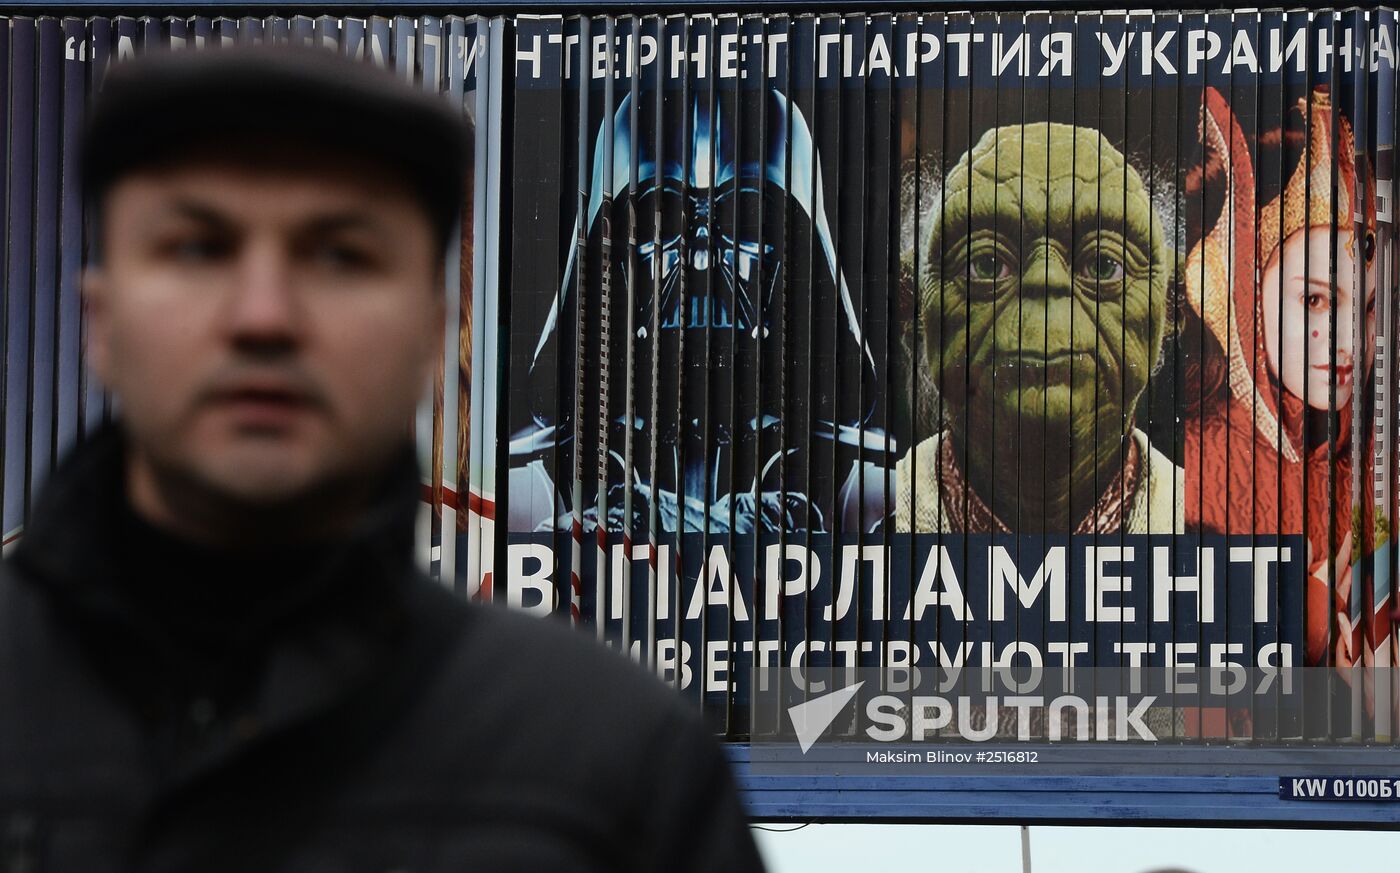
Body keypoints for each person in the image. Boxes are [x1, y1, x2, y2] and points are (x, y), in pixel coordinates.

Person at [0, 45, 765, 871]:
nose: (265, 316)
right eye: (198, 248)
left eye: (340, 256)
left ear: (438, 332)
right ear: (100, 319)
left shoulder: (618, 765)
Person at [896, 122, 1183, 534]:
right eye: (986, 265)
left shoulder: (1218, 522)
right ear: (916, 306)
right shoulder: (861, 511)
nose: (1046, 288)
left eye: (1102, 266)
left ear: (1169, 305)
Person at [1182, 86, 1377, 671]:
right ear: (1242, 292)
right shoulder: (1189, 473)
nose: (1349, 340)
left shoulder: (1370, 465)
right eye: (1316, 300)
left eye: (1367, 308)